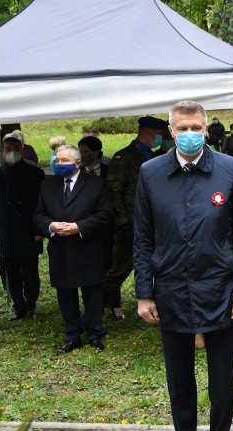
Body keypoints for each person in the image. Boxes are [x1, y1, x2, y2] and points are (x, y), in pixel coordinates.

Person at [134, 101, 233, 431]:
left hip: (220, 289)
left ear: (206, 129)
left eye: (196, 127)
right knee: (180, 384)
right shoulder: (150, 173)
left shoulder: (229, 168)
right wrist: (143, 293)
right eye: (182, 128)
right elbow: (142, 237)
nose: (190, 134)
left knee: (222, 385)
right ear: (170, 131)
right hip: (171, 290)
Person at [34, 145, 112, 354]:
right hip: (60, 248)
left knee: (93, 293)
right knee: (65, 293)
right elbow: (38, 215)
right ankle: (73, 335)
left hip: (88, 246)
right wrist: (51, 226)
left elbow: (105, 215)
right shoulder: (48, 185)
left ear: (78, 163)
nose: (60, 164)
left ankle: (94, 333)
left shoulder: (96, 185)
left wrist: (80, 227)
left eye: (65, 161)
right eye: (57, 161)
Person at [103, 115, 168, 320]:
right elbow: (113, 192)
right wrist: (122, 224)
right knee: (119, 269)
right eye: (160, 135)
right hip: (131, 224)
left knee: (163, 267)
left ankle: (162, 306)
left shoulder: (158, 157)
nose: (163, 139)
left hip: (159, 223)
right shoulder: (125, 157)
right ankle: (101, 305)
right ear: (149, 132)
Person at [0, 134, 45, 320]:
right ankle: (18, 305)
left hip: (29, 227)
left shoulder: (35, 173)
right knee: (10, 270)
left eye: (15, 149)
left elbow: (41, 203)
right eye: (8, 149)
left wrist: (40, 229)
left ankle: (31, 304)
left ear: (22, 149)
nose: (12, 152)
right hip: (6, 229)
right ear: (2, 152)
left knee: (30, 270)